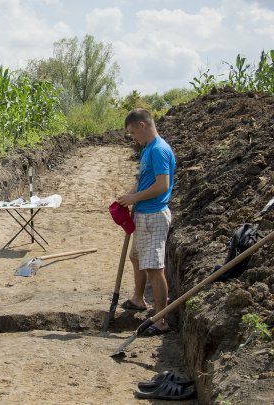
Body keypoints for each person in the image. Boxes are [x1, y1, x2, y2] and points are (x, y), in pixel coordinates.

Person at [117, 108, 176, 336]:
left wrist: (135, 198)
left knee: (154, 267)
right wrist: (128, 197)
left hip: (154, 216)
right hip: (143, 214)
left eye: (133, 133)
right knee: (136, 257)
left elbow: (162, 185)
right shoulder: (147, 150)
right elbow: (144, 182)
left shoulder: (159, 150)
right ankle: (138, 299)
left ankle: (161, 321)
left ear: (142, 125)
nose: (133, 137)